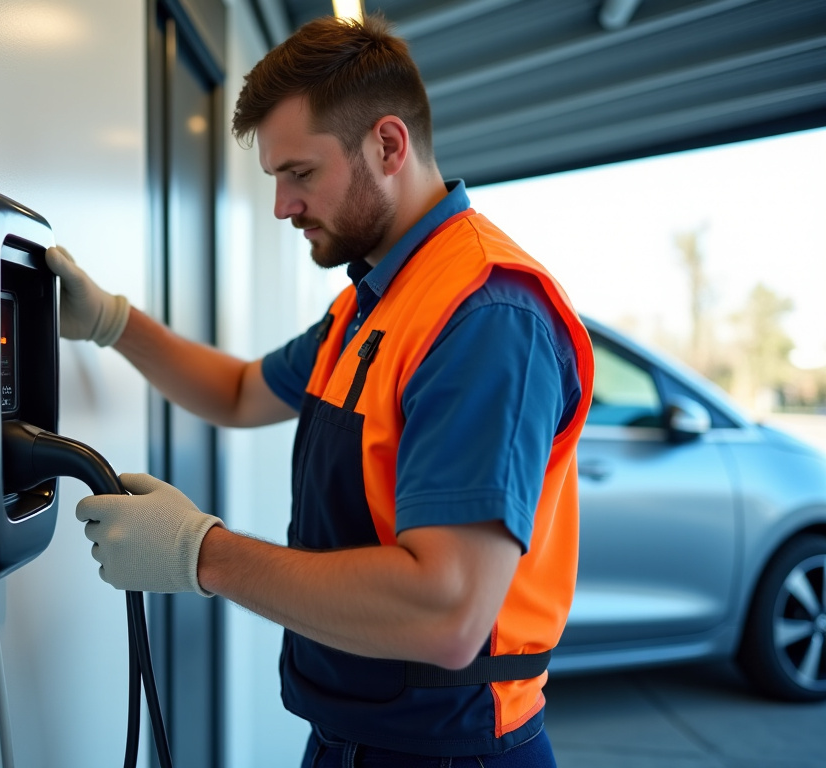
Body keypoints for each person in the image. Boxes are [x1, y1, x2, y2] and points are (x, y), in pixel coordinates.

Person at [46, 14, 593, 768]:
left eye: (300, 173)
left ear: (388, 145)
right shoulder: (372, 304)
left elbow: (448, 612)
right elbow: (240, 393)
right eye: (275, 178)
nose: (282, 206)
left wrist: (199, 553)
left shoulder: (483, 316)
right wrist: (111, 321)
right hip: (349, 740)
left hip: (449, 752)